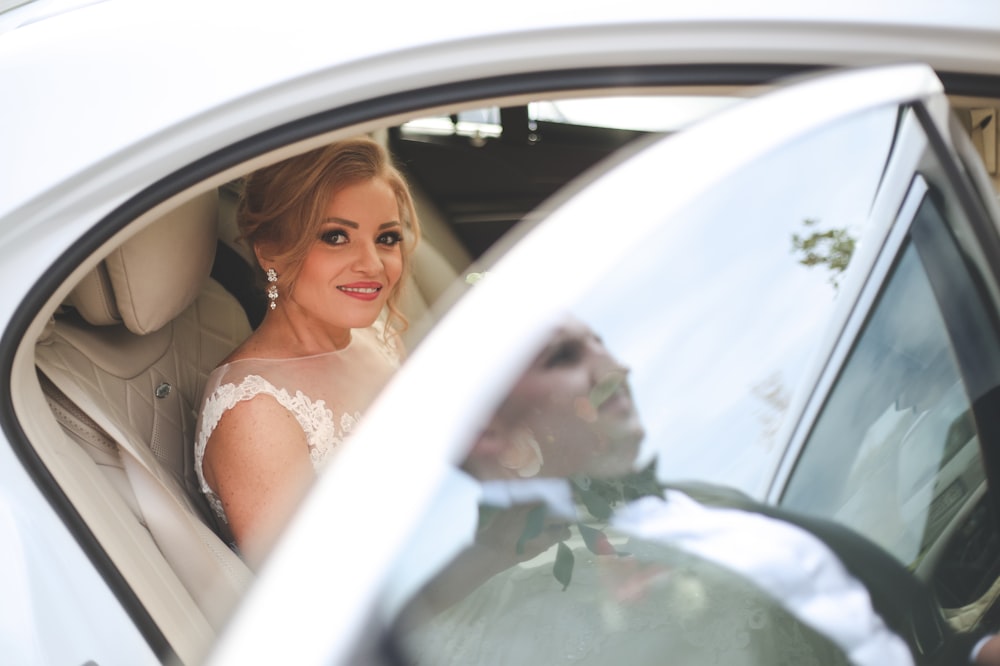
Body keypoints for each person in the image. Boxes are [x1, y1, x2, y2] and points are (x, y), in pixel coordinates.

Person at [398, 318, 1000, 665]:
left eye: (601, 341)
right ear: (494, 432)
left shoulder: (702, 497)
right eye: (564, 357)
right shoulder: (524, 599)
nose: (616, 369)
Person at [193, 137, 420, 567]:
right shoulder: (254, 408)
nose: (372, 264)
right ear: (270, 251)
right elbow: (308, 597)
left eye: (386, 237)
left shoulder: (381, 336)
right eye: (336, 237)